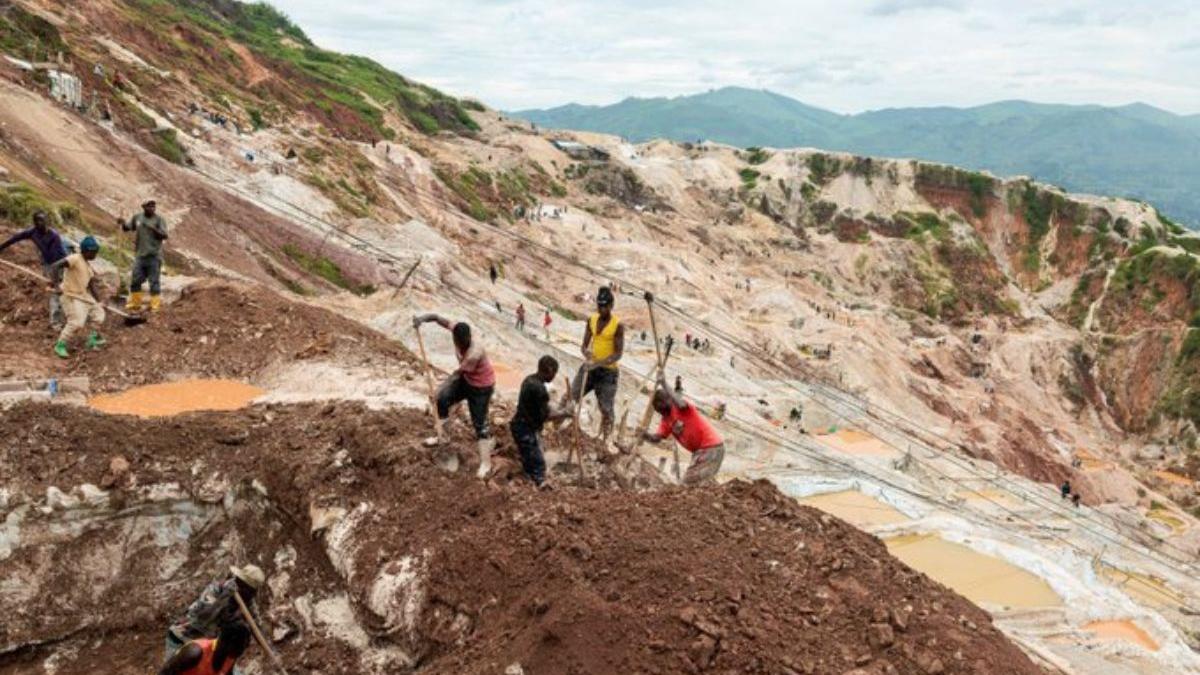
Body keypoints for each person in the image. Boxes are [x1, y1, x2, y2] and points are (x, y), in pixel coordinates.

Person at [413, 313, 496, 477]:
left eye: (463, 343)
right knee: (442, 401)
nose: (460, 345)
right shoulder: (457, 329)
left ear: (468, 339)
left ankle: (486, 463)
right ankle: (442, 437)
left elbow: (456, 375)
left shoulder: (474, 353)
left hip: (481, 387)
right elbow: (437, 318)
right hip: (467, 379)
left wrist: (438, 390)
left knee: (479, 424)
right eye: (459, 342)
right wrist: (421, 320)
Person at [165, 565, 264, 662]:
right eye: (243, 586)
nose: (250, 594)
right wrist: (225, 598)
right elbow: (202, 616)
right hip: (183, 638)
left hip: (205, 648)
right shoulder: (217, 589)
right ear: (238, 582)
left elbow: (257, 628)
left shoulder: (249, 603)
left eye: (252, 592)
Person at [641, 374, 725, 485]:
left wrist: (664, 383)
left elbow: (680, 402)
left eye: (661, 402)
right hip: (700, 452)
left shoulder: (683, 408)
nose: (659, 407)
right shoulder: (665, 420)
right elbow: (657, 438)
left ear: (669, 400)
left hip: (710, 448)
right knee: (700, 484)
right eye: (656, 405)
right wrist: (645, 435)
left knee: (689, 484)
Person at [571, 286, 624, 441]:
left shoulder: (617, 325)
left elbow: (617, 354)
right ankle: (561, 427)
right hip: (590, 368)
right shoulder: (592, 320)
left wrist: (598, 364)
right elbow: (584, 345)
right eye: (599, 306)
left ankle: (606, 440)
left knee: (606, 409)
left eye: (605, 306)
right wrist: (586, 353)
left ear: (611, 306)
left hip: (608, 373)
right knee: (571, 395)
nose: (602, 309)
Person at [0, 210, 68, 327]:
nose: (42, 223)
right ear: (35, 222)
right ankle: (56, 322)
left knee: (60, 290)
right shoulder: (32, 232)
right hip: (48, 264)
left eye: (44, 220)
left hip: (60, 263)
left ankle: (65, 315)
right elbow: (16, 238)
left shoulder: (54, 236)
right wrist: (2, 247)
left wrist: (56, 277)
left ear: (47, 221)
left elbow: (60, 256)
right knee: (55, 293)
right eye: (39, 220)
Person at [511, 356, 571, 487]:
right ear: (549, 370)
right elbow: (546, 416)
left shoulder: (529, 379)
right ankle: (540, 485)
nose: (554, 376)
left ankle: (527, 476)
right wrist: (565, 413)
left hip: (520, 425)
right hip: (525, 429)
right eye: (554, 372)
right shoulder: (539, 389)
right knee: (538, 464)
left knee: (530, 457)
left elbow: (542, 408)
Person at [48, 236, 106, 359]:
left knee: (99, 314)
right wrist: (57, 286)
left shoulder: (88, 266)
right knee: (76, 323)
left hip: (82, 295)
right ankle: (60, 345)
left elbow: (91, 285)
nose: (95, 254)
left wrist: (99, 301)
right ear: (85, 251)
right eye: (93, 252)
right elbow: (55, 266)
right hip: (70, 295)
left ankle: (92, 338)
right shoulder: (75, 258)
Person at [119, 200, 168, 312]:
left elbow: (165, 235)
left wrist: (154, 229)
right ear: (144, 207)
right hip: (140, 255)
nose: (152, 208)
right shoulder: (138, 217)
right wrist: (122, 223)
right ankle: (135, 303)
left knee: (154, 281)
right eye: (149, 206)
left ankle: (155, 305)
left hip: (154, 256)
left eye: (153, 206)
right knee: (135, 280)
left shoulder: (159, 220)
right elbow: (127, 228)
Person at [159, 620, 251, 675]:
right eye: (239, 649)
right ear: (225, 642)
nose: (240, 653)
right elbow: (165, 672)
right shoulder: (194, 653)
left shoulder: (230, 656)